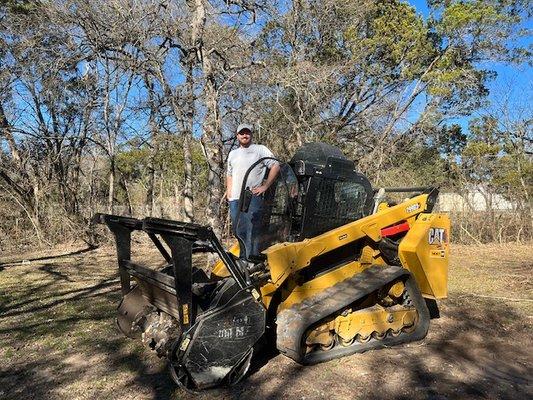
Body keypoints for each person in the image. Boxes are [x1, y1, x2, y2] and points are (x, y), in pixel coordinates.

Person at [226, 123, 280, 258]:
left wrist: (265, 186)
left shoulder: (260, 150)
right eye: (242, 133)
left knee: (253, 229)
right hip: (235, 199)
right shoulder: (233, 154)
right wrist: (229, 192)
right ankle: (243, 258)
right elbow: (229, 173)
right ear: (237, 136)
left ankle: (253, 259)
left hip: (253, 196)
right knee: (239, 230)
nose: (245, 135)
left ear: (251, 134)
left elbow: (275, 165)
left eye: (247, 133)